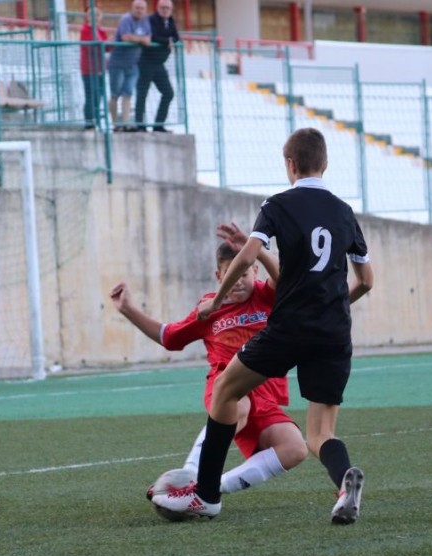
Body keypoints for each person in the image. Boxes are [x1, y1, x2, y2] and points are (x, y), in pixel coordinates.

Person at [152, 127, 374, 523]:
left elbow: (246, 257)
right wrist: (335, 305)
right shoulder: (344, 212)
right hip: (334, 330)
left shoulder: (277, 204)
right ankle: (344, 484)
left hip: (289, 327)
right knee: (320, 434)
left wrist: (215, 303)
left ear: (290, 164)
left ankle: (206, 495)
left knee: (225, 389)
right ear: (325, 164)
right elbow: (368, 281)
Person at [110, 223, 308, 498]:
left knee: (295, 448)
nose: (238, 280)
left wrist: (257, 250)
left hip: (264, 396)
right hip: (227, 386)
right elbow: (169, 337)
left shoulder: (268, 296)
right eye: (230, 273)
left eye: (244, 271)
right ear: (219, 276)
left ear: (254, 271)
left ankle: (210, 486)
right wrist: (128, 309)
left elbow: (285, 279)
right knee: (238, 403)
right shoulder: (211, 306)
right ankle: (191, 474)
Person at [134, 0, 179, 133]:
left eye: (168, 8)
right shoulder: (150, 20)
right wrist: (167, 41)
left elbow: (176, 37)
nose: (165, 10)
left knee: (168, 93)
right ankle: (140, 125)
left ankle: (158, 125)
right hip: (146, 62)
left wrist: (170, 41)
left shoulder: (170, 21)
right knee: (142, 94)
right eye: (163, 7)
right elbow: (152, 36)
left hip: (159, 64)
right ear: (158, 8)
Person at [106, 0, 150, 132]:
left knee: (128, 93)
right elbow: (125, 37)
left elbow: (148, 39)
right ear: (132, 8)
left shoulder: (145, 21)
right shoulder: (126, 19)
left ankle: (126, 123)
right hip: (117, 64)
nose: (139, 10)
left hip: (133, 64)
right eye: (137, 8)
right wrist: (140, 39)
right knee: (115, 94)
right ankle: (115, 124)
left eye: (142, 8)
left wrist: (137, 38)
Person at [79, 9, 108, 131]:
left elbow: (106, 46)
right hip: (89, 69)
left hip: (100, 68)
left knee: (99, 95)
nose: (95, 19)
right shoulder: (85, 30)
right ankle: (89, 122)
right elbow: (90, 46)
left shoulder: (101, 31)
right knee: (91, 95)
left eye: (98, 17)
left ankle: (96, 120)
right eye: (93, 16)